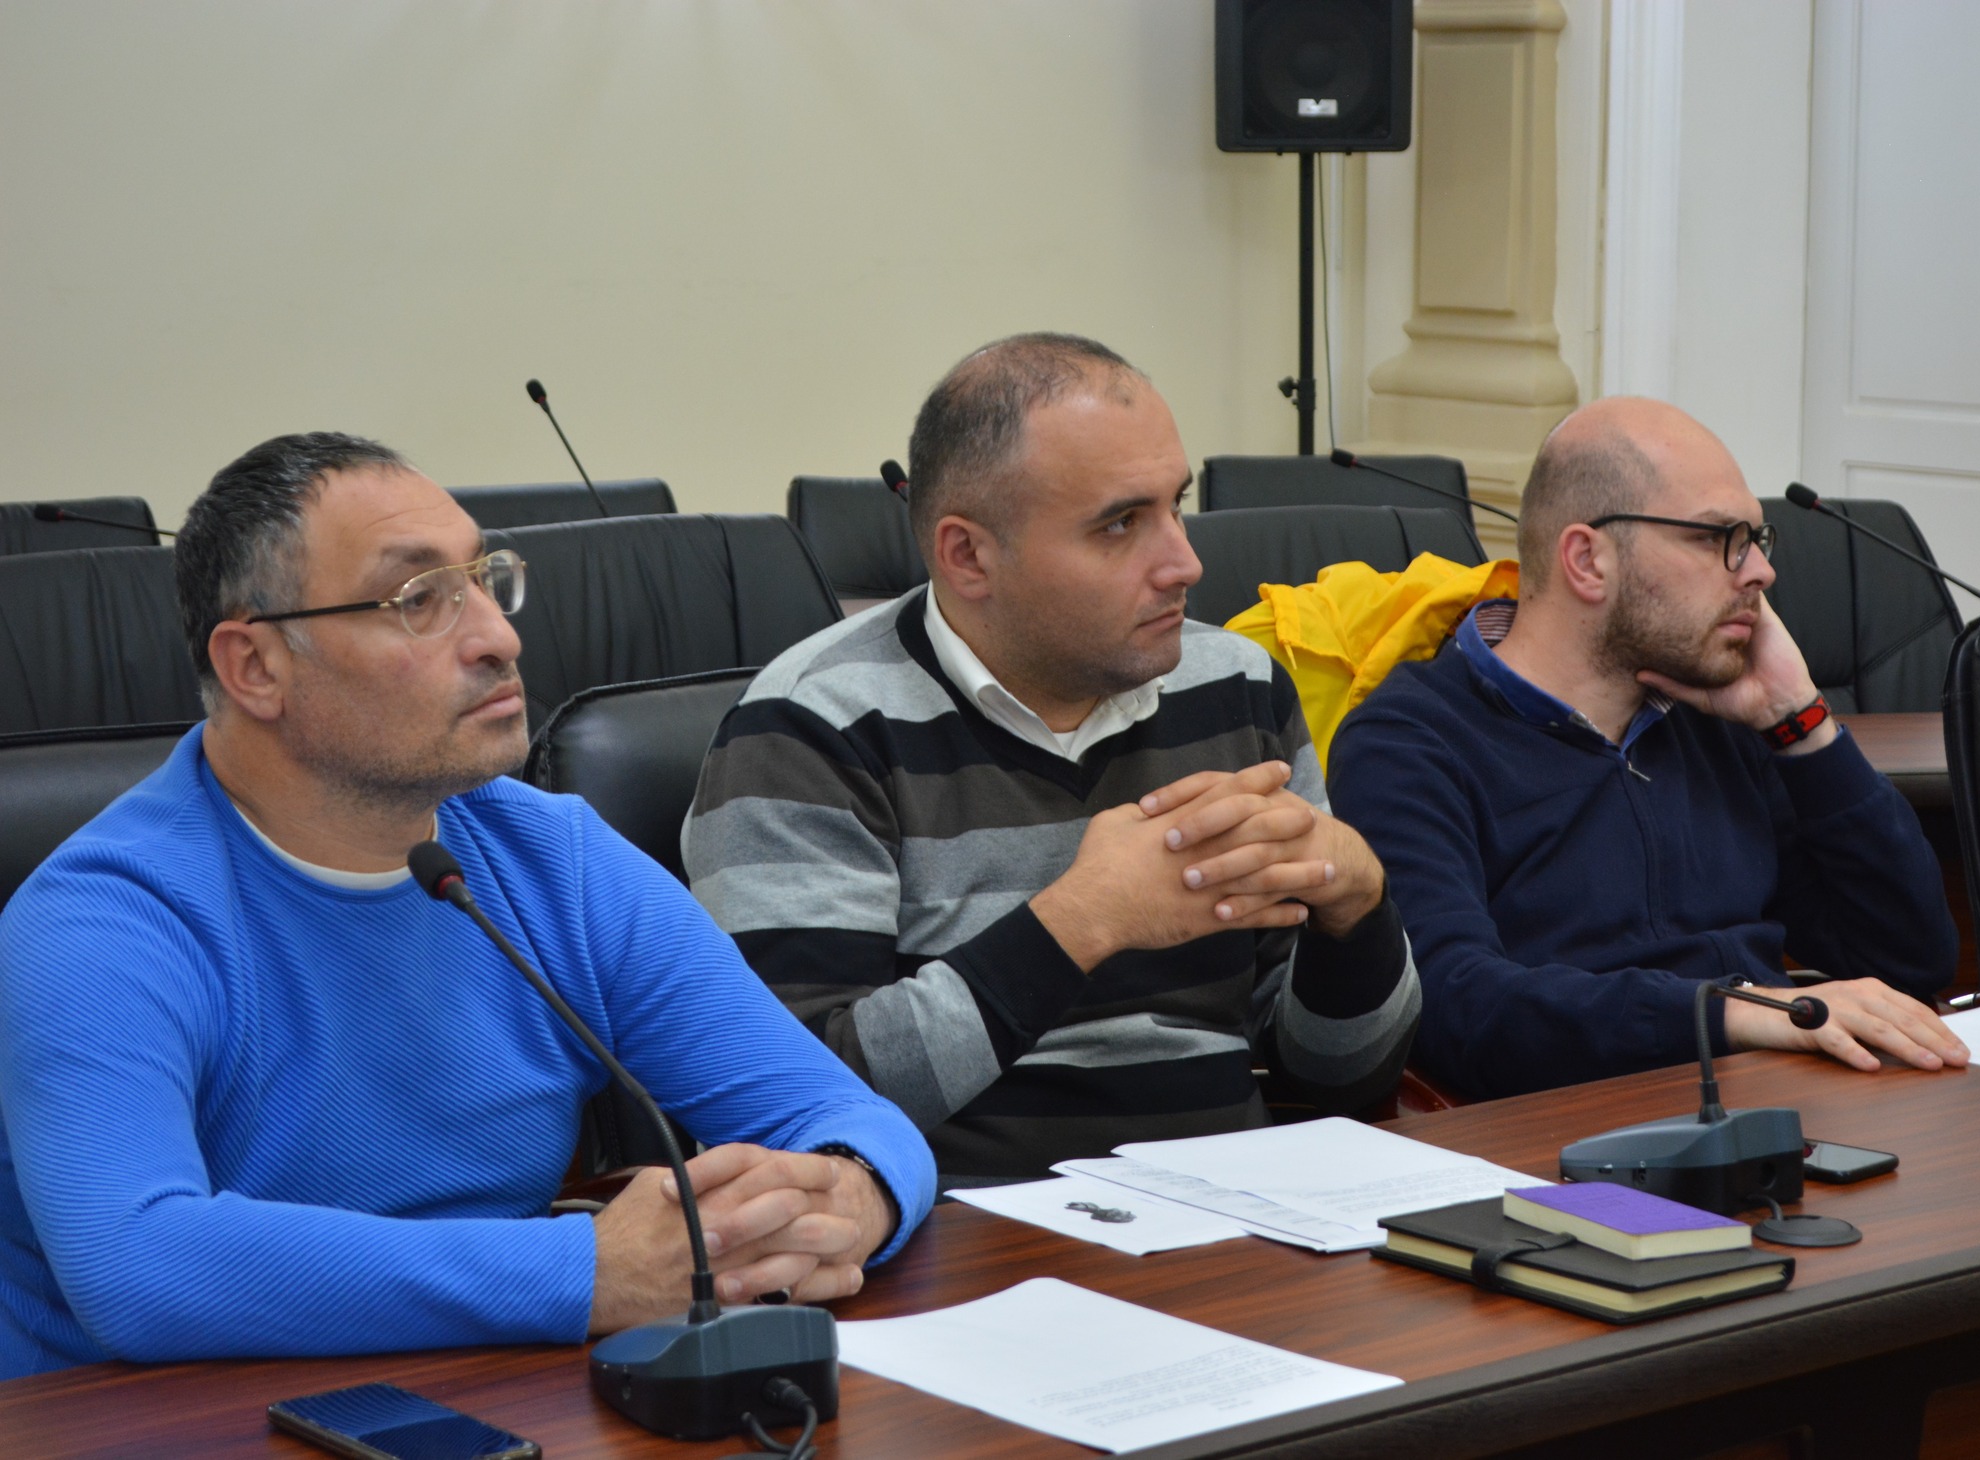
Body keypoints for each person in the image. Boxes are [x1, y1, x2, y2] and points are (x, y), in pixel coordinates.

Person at [0, 433, 934, 1380]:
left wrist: (854, 1196)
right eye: (419, 599)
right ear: (256, 668)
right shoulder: (102, 920)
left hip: (478, 1387)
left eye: (484, 580)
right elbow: (136, 1263)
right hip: (155, 1419)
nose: (499, 637)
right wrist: (586, 1271)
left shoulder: (553, 858)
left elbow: (840, 1114)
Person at [682, 334, 1419, 1184]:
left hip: (1238, 1212)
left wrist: (1359, 910)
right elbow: (790, 1111)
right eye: (1120, 524)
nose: (1185, 562)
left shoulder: (1237, 687)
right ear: (968, 556)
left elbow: (1343, 1081)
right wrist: (1083, 922)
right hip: (955, 1234)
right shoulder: (808, 731)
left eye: (1176, 506)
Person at [1327, 397, 1966, 1101]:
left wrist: (1800, 721)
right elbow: (1456, 1006)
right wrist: (1730, 1012)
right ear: (1588, 560)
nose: (1760, 571)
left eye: (1757, 539)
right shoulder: (1410, 741)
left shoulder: (1716, 722)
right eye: (1719, 538)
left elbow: (1910, 960)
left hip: (1766, 1105)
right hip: (1563, 1136)